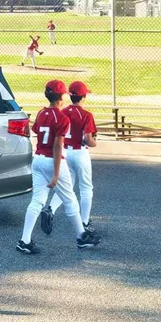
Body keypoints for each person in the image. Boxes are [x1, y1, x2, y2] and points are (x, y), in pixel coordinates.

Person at [17, 80, 101, 254]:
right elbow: (56, 146)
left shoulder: (41, 113)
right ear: (62, 96)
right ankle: (81, 237)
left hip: (38, 159)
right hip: (52, 160)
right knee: (70, 199)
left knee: (37, 200)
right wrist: (56, 173)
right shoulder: (61, 118)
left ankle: (24, 240)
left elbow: (35, 130)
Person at [40, 81, 98, 235]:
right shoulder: (86, 114)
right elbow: (87, 139)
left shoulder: (62, 112)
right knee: (86, 188)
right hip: (80, 153)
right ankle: (84, 222)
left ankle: (51, 209)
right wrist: (94, 143)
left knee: (67, 186)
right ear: (83, 97)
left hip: (65, 152)